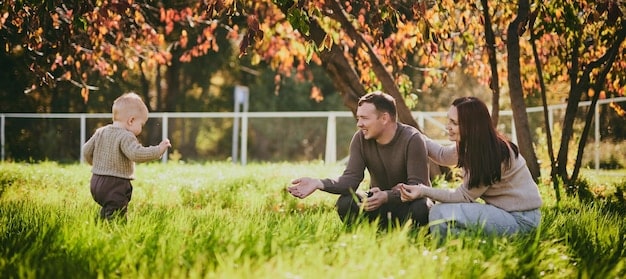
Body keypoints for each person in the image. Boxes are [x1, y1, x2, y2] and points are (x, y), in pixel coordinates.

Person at [398, 96, 542, 237]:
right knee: (440, 214)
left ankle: (448, 248)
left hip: (521, 221)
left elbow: (463, 196)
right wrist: (411, 134)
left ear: (470, 126)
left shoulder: (490, 153)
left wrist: (423, 191)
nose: (448, 126)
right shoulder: (473, 144)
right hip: (504, 214)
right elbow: (441, 154)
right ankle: (459, 246)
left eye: (454, 123)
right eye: (449, 120)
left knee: (439, 213)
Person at [288, 91, 432, 228]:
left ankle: (410, 233)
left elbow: (417, 187)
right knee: (345, 202)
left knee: (422, 206)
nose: (359, 124)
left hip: (407, 207)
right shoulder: (360, 139)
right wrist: (318, 183)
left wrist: (386, 196)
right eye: (358, 118)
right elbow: (350, 180)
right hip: (377, 205)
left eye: (364, 118)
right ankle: (371, 231)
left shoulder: (412, 139)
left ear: (384, 118)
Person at [83, 92, 171, 221]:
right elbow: (136, 154)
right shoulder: (125, 136)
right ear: (131, 120)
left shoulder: (101, 132)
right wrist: (158, 150)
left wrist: (95, 165)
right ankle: (116, 235)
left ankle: (100, 225)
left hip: (96, 182)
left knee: (109, 207)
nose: (141, 129)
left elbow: (86, 150)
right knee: (118, 212)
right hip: (115, 184)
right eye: (141, 125)